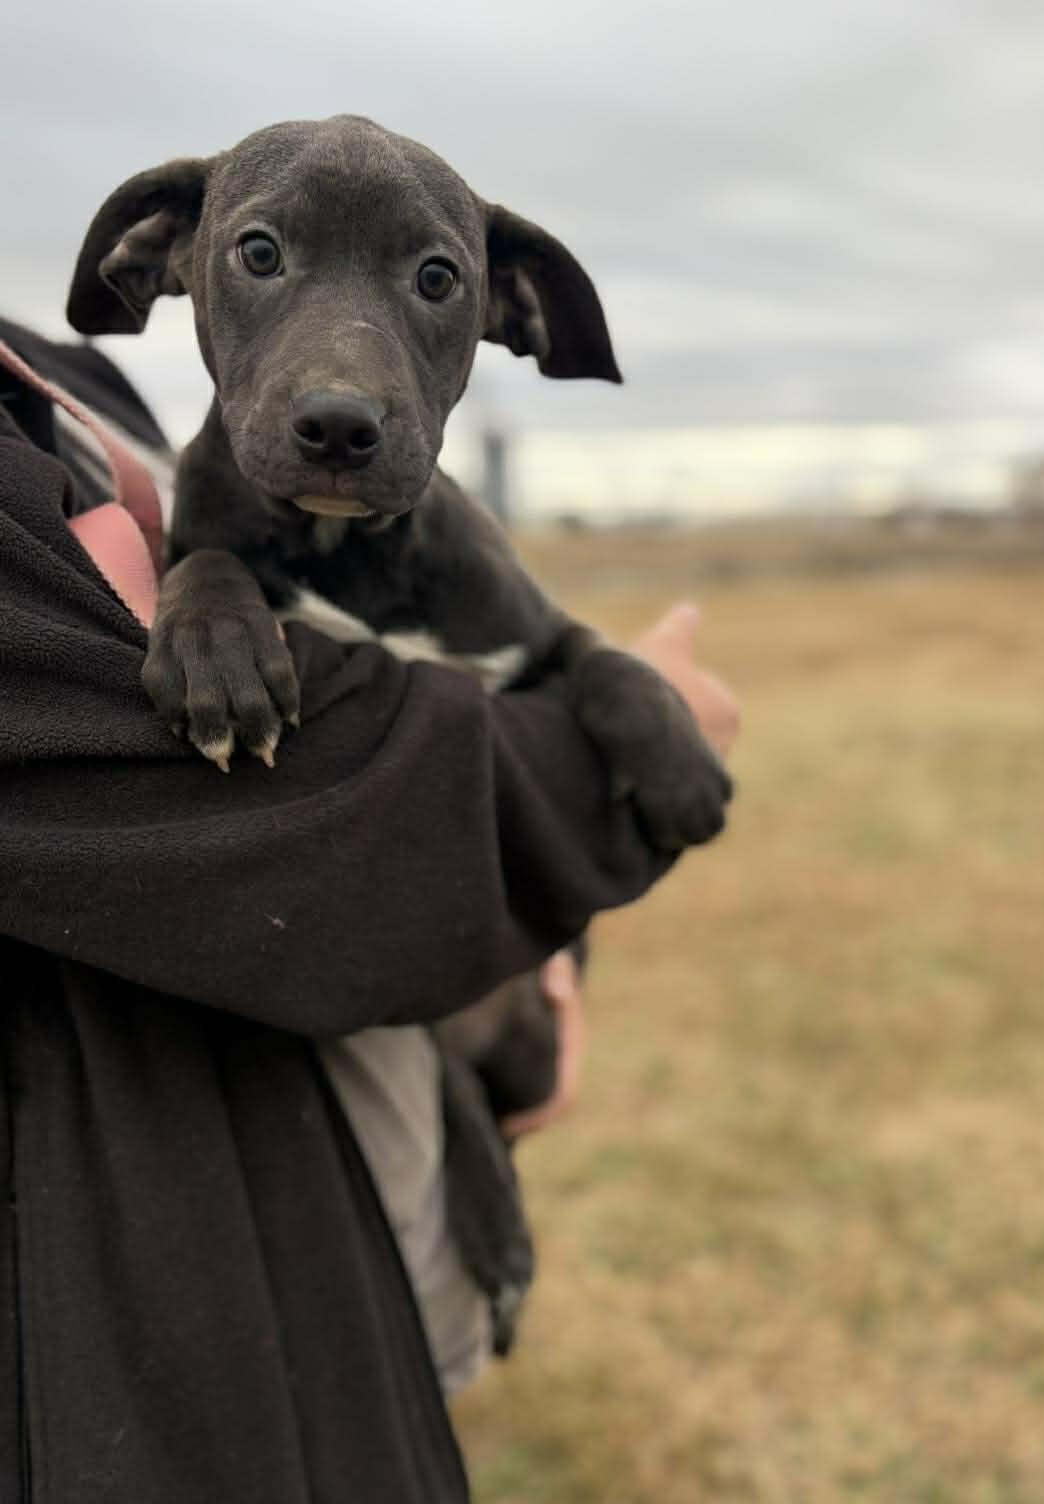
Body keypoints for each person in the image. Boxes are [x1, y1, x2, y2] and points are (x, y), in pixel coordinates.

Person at [0, 319, 737, 1502]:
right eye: (260, 256)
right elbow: (265, 823)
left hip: (368, 1194)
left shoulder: (66, 373)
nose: (339, 372)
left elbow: (540, 655)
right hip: (131, 1338)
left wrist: (542, 947)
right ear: (158, 261)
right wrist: (626, 754)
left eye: (432, 278)